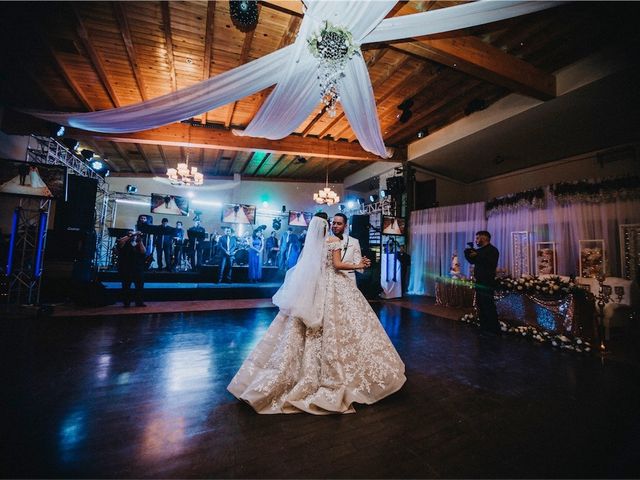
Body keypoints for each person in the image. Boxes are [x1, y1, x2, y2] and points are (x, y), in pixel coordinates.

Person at [227, 216, 405, 414]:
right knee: (346, 325)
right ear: (327, 226)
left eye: (338, 223)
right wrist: (357, 265)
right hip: (336, 285)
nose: (334, 226)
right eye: (332, 223)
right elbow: (337, 265)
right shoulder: (333, 242)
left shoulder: (315, 245)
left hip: (316, 288)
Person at [464, 230, 500, 334]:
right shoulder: (479, 251)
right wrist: (468, 252)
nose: (476, 240)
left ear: (484, 238)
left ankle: (494, 329)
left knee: (488, 305)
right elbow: (472, 261)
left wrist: (477, 255)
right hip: (479, 281)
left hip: (487, 282)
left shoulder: (493, 250)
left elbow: (490, 263)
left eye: (477, 238)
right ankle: (484, 327)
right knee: (481, 305)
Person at [330, 213, 368, 284]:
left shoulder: (354, 242)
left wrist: (363, 264)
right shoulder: (325, 240)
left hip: (348, 280)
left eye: (339, 224)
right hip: (329, 280)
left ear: (345, 226)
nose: (335, 226)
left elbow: (359, 266)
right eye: (334, 223)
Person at [116, 230, 147, 307]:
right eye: (130, 233)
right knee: (126, 286)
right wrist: (131, 235)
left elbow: (143, 251)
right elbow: (120, 242)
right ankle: (126, 302)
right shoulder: (124, 242)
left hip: (138, 267)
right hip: (126, 267)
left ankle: (139, 302)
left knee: (139, 286)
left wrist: (140, 240)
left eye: (134, 234)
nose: (133, 235)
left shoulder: (137, 243)